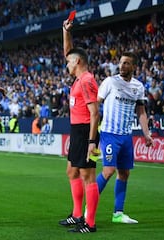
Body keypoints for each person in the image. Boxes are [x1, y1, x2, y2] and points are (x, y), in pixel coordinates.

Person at [96, 51, 154, 224]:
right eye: (121, 63)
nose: (122, 66)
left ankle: (118, 214)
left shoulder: (138, 86)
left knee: (124, 173)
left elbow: (141, 111)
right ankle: (87, 210)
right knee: (108, 171)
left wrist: (146, 133)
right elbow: (96, 103)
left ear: (133, 66)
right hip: (109, 134)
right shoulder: (110, 82)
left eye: (127, 63)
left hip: (126, 136)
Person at [58, 18, 100, 233]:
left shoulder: (86, 80)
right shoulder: (78, 78)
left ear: (77, 62)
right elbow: (69, 52)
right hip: (77, 131)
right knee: (72, 172)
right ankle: (76, 215)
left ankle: (89, 223)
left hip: (87, 132)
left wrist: (92, 142)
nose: (66, 64)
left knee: (87, 176)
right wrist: (66, 32)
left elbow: (95, 113)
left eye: (69, 62)